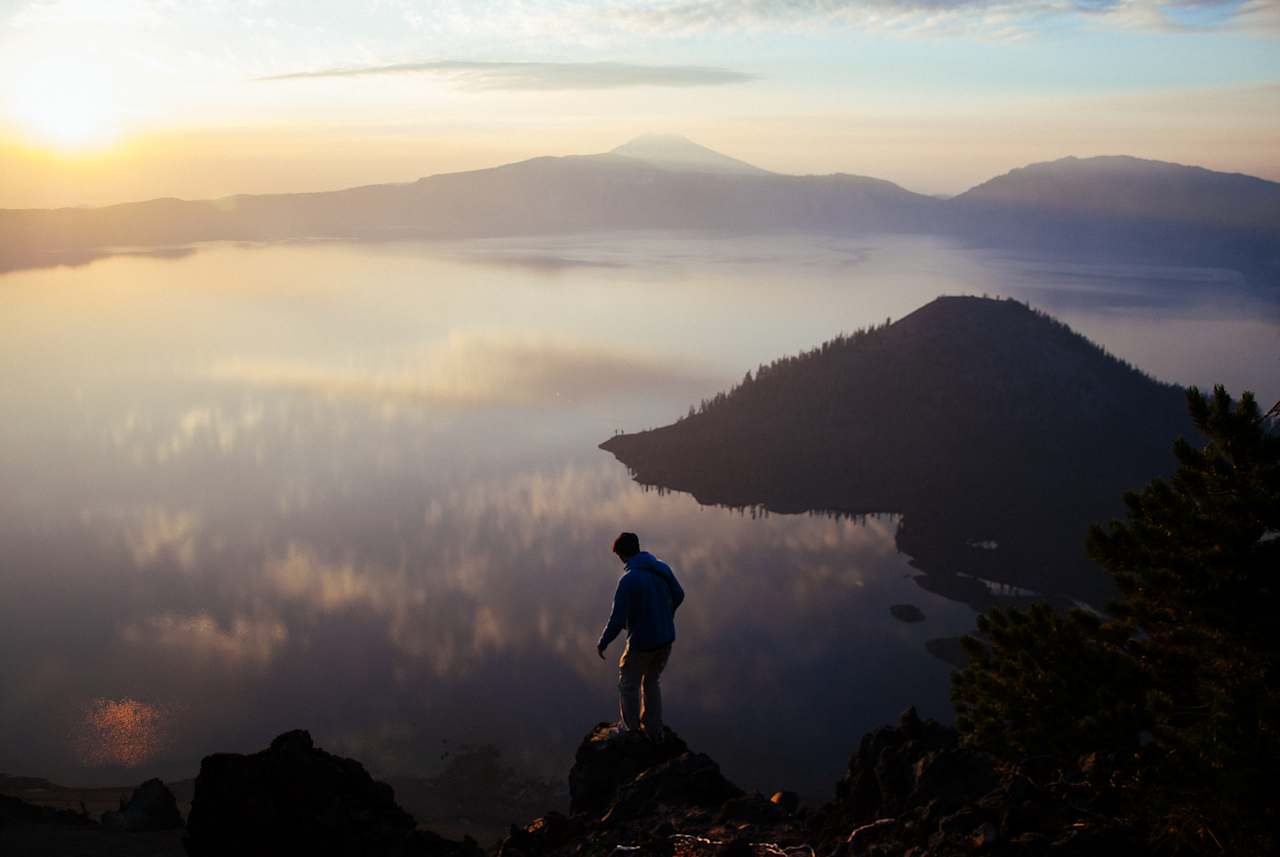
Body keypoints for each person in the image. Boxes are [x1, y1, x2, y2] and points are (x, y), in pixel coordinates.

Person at [596, 532, 685, 740]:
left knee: (628, 683)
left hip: (642, 643)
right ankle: (654, 729)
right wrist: (665, 614)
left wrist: (603, 642)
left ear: (622, 554)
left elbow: (617, 620)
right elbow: (679, 595)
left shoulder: (629, 580)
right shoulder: (662, 568)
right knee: (652, 681)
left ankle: (630, 730)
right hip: (665, 639)